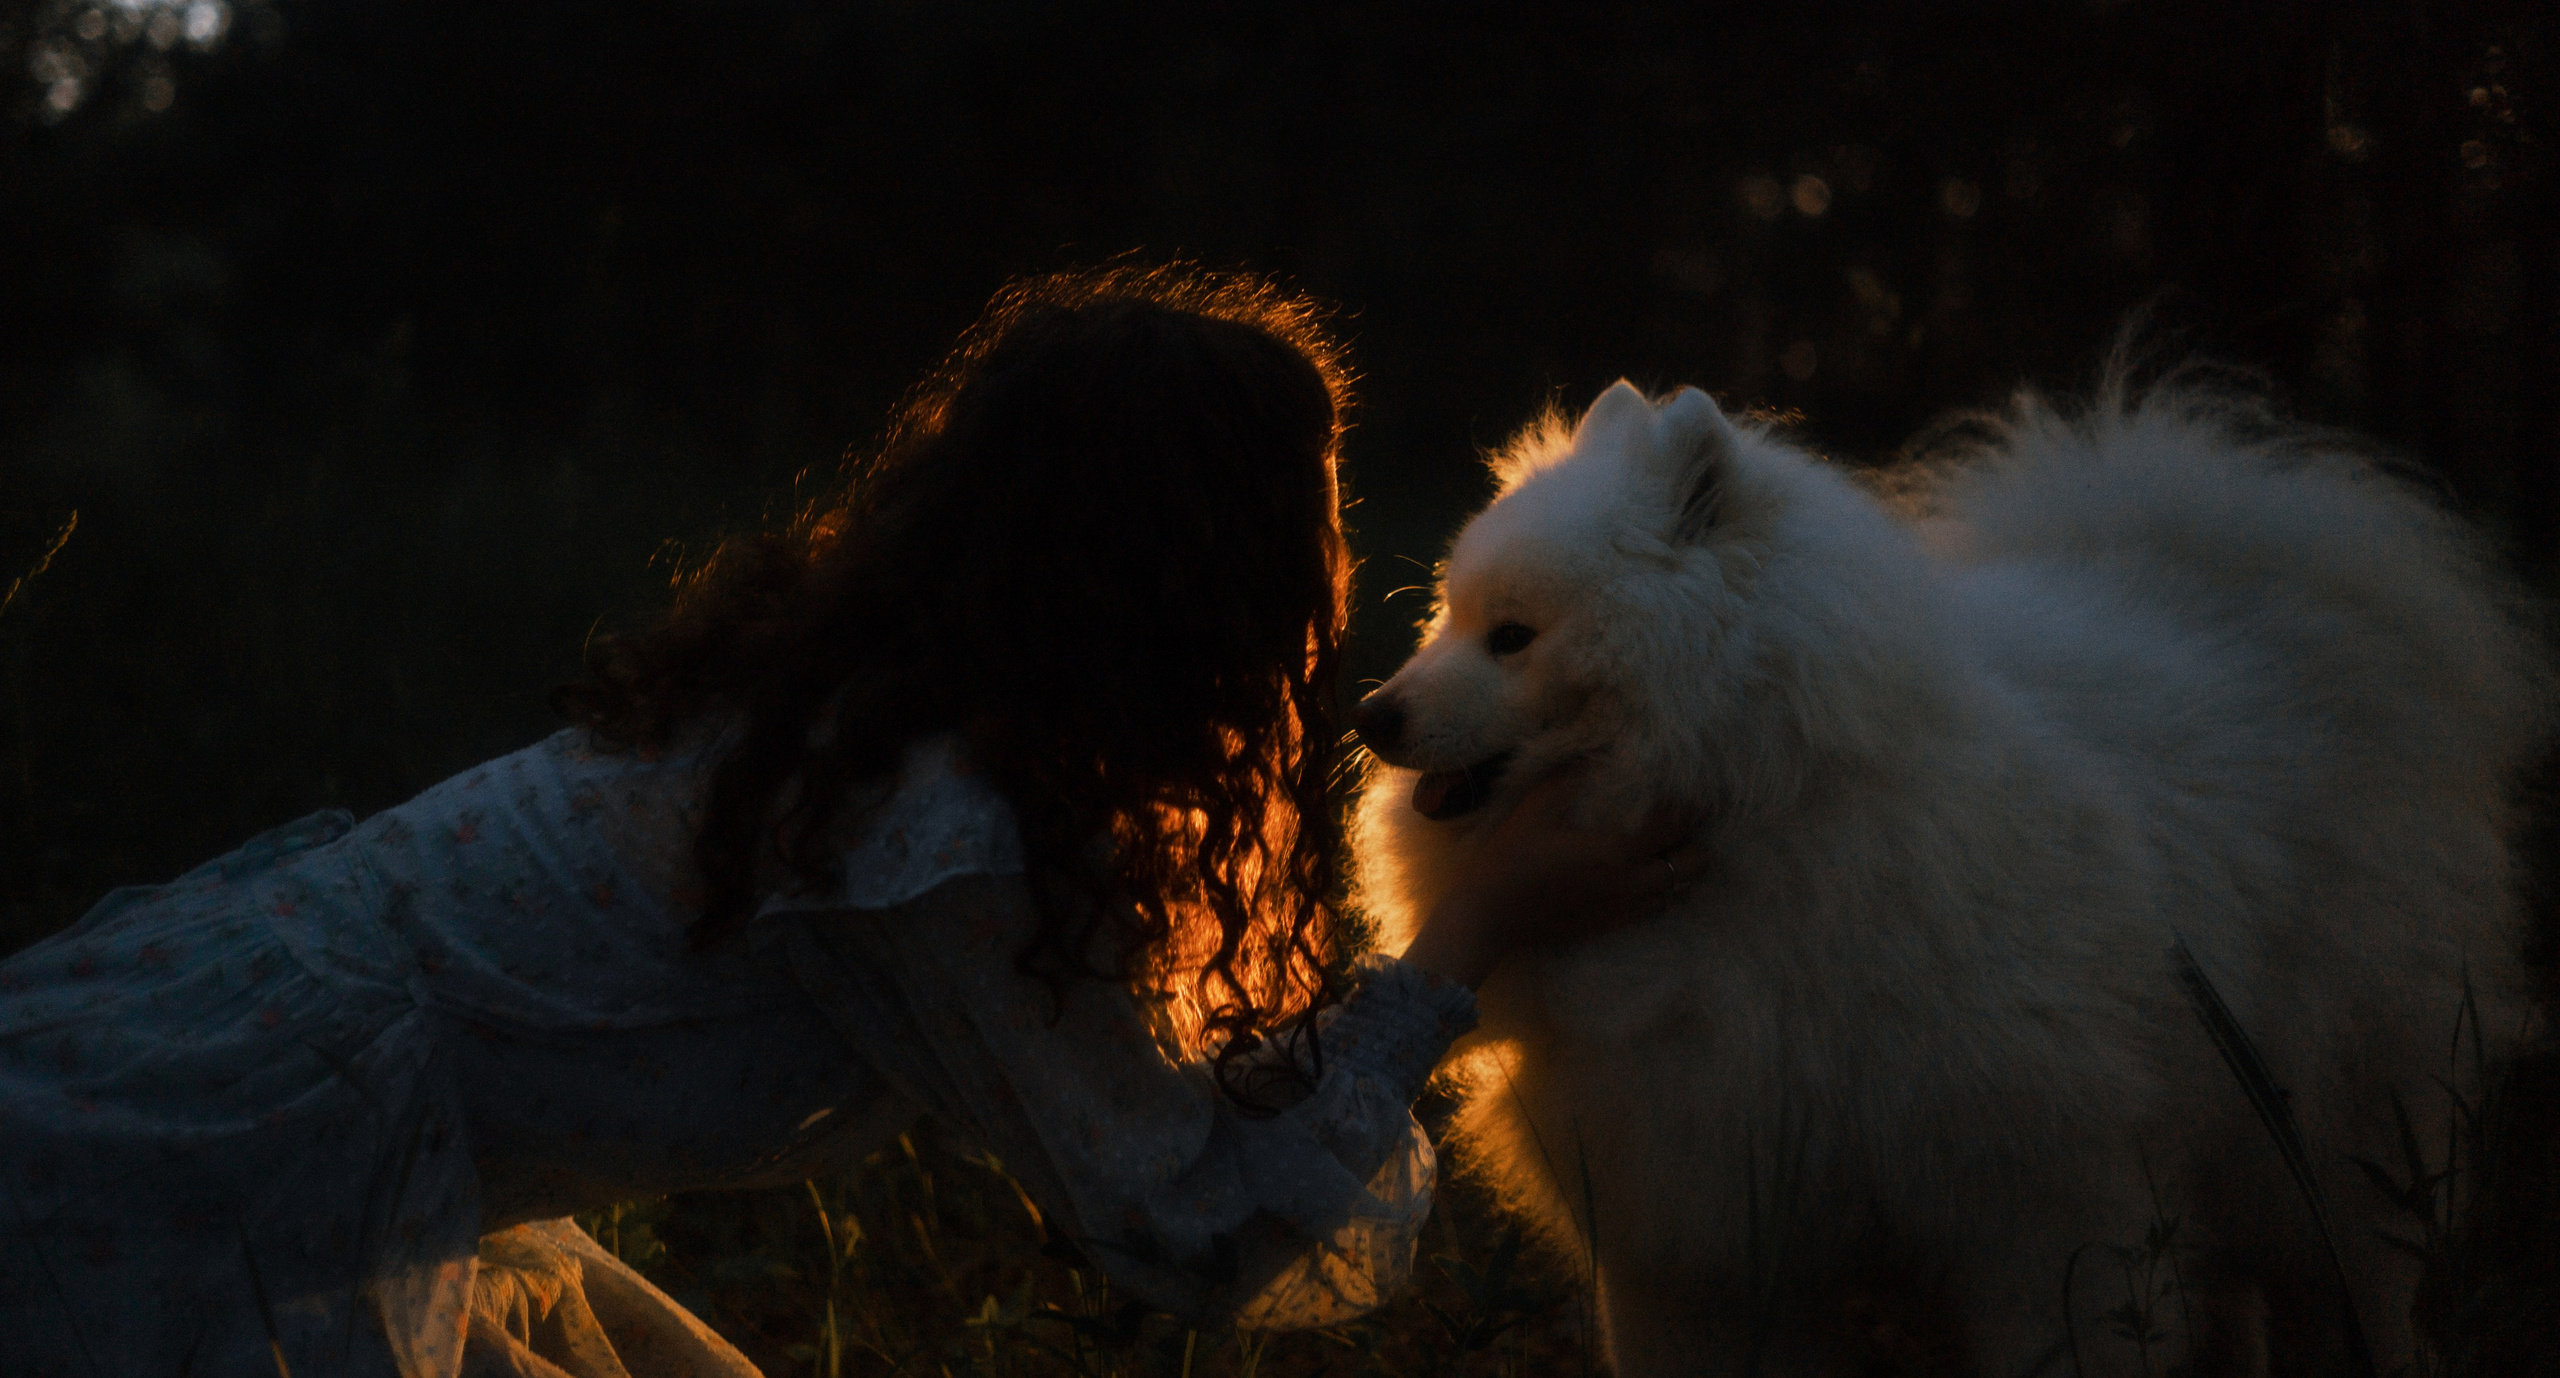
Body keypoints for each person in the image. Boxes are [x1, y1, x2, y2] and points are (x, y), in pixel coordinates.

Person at [0, 265, 1689, 1378]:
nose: (1328, 586)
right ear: (1196, 571)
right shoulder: (938, 824)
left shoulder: (892, 715)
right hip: (220, 1152)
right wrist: (1478, 925)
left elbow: (1169, 1110)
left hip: (267, 1079)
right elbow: (1193, 1228)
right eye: (1309, 531)